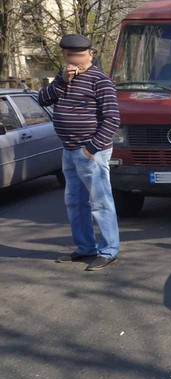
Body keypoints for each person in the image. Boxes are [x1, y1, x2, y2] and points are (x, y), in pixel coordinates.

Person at [39, 34, 120, 271]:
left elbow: (112, 119)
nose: (78, 62)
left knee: (100, 202)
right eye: (72, 57)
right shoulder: (62, 79)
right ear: (65, 56)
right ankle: (85, 249)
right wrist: (61, 81)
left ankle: (109, 250)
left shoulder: (100, 81)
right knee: (74, 201)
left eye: (82, 57)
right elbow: (42, 99)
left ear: (91, 55)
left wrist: (91, 149)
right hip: (69, 149)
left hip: (91, 152)